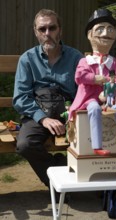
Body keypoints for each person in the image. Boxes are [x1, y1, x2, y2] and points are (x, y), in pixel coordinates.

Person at [13, 9, 83, 188]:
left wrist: (74, 114)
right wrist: (43, 119)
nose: (47, 34)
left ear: (60, 30)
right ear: (35, 32)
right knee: (25, 145)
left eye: (52, 28)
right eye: (42, 29)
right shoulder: (27, 59)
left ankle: (104, 187)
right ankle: (56, 177)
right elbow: (21, 97)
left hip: (71, 112)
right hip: (39, 113)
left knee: (97, 137)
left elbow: (84, 91)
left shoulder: (76, 58)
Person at [68, 8, 116, 156]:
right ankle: (97, 146)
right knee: (94, 108)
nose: (106, 33)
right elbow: (79, 76)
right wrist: (95, 79)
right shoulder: (85, 61)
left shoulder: (112, 63)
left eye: (110, 29)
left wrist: (109, 91)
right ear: (90, 35)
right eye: (100, 29)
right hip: (89, 100)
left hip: (110, 100)